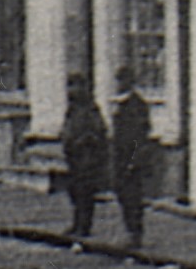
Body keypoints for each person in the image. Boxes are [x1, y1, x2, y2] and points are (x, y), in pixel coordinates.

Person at [60, 72, 110, 239]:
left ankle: (84, 225)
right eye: (70, 86)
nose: (71, 90)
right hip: (73, 156)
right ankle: (77, 223)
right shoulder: (72, 109)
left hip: (86, 156)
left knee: (84, 192)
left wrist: (84, 141)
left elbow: (99, 131)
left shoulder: (90, 108)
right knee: (74, 190)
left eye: (74, 86)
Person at [109, 65, 153, 248]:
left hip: (132, 156)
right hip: (121, 156)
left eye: (122, 80)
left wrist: (134, 160)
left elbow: (140, 135)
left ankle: (135, 233)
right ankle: (129, 230)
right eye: (118, 80)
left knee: (133, 197)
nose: (119, 84)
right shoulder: (120, 104)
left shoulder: (136, 105)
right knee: (123, 195)